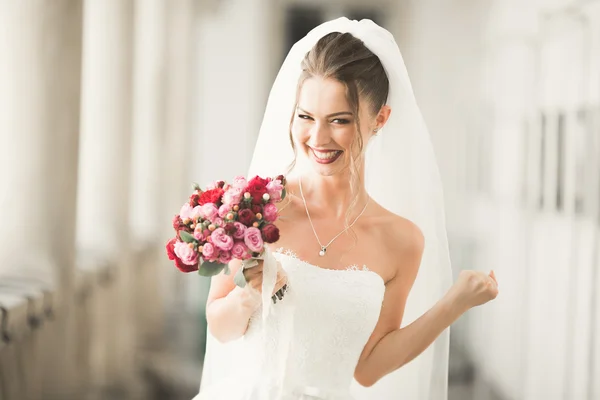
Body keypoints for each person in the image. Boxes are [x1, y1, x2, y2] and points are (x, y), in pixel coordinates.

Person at [192, 18, 498, 400]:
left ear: (380, 119)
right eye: (305, 117)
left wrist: (455, 303)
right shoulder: (256, 209)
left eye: (340, 120)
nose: (318, 138)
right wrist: (249, 295)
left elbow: (368, 367)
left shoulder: (402, 239)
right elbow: (219, 327)